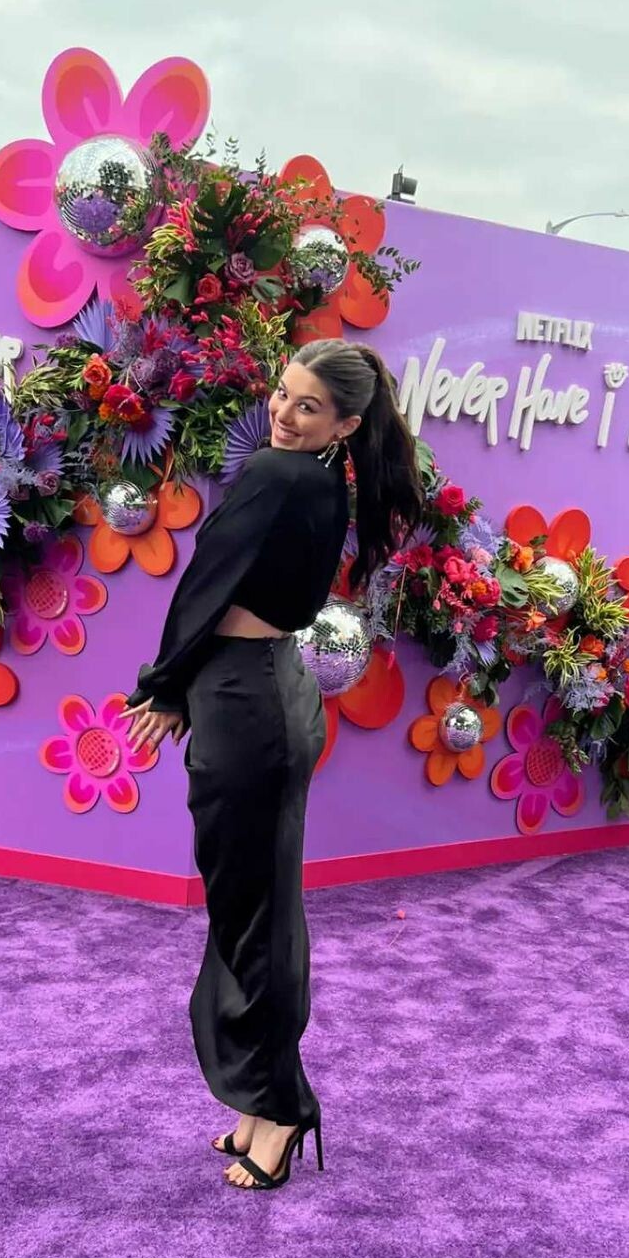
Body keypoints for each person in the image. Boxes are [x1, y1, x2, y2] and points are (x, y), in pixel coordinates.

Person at [119, 340, 426, 1194]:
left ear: (346, 425)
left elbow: (206, 586)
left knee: (252, 916)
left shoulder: (278, 474)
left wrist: (165, 684)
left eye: (308, 406)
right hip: (269, 692)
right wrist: (190, 687)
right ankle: (262, 1101)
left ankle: (281, 1109)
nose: (284, 414)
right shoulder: (321, 480)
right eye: (283, 394)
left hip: (247, 704)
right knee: (257, 909)